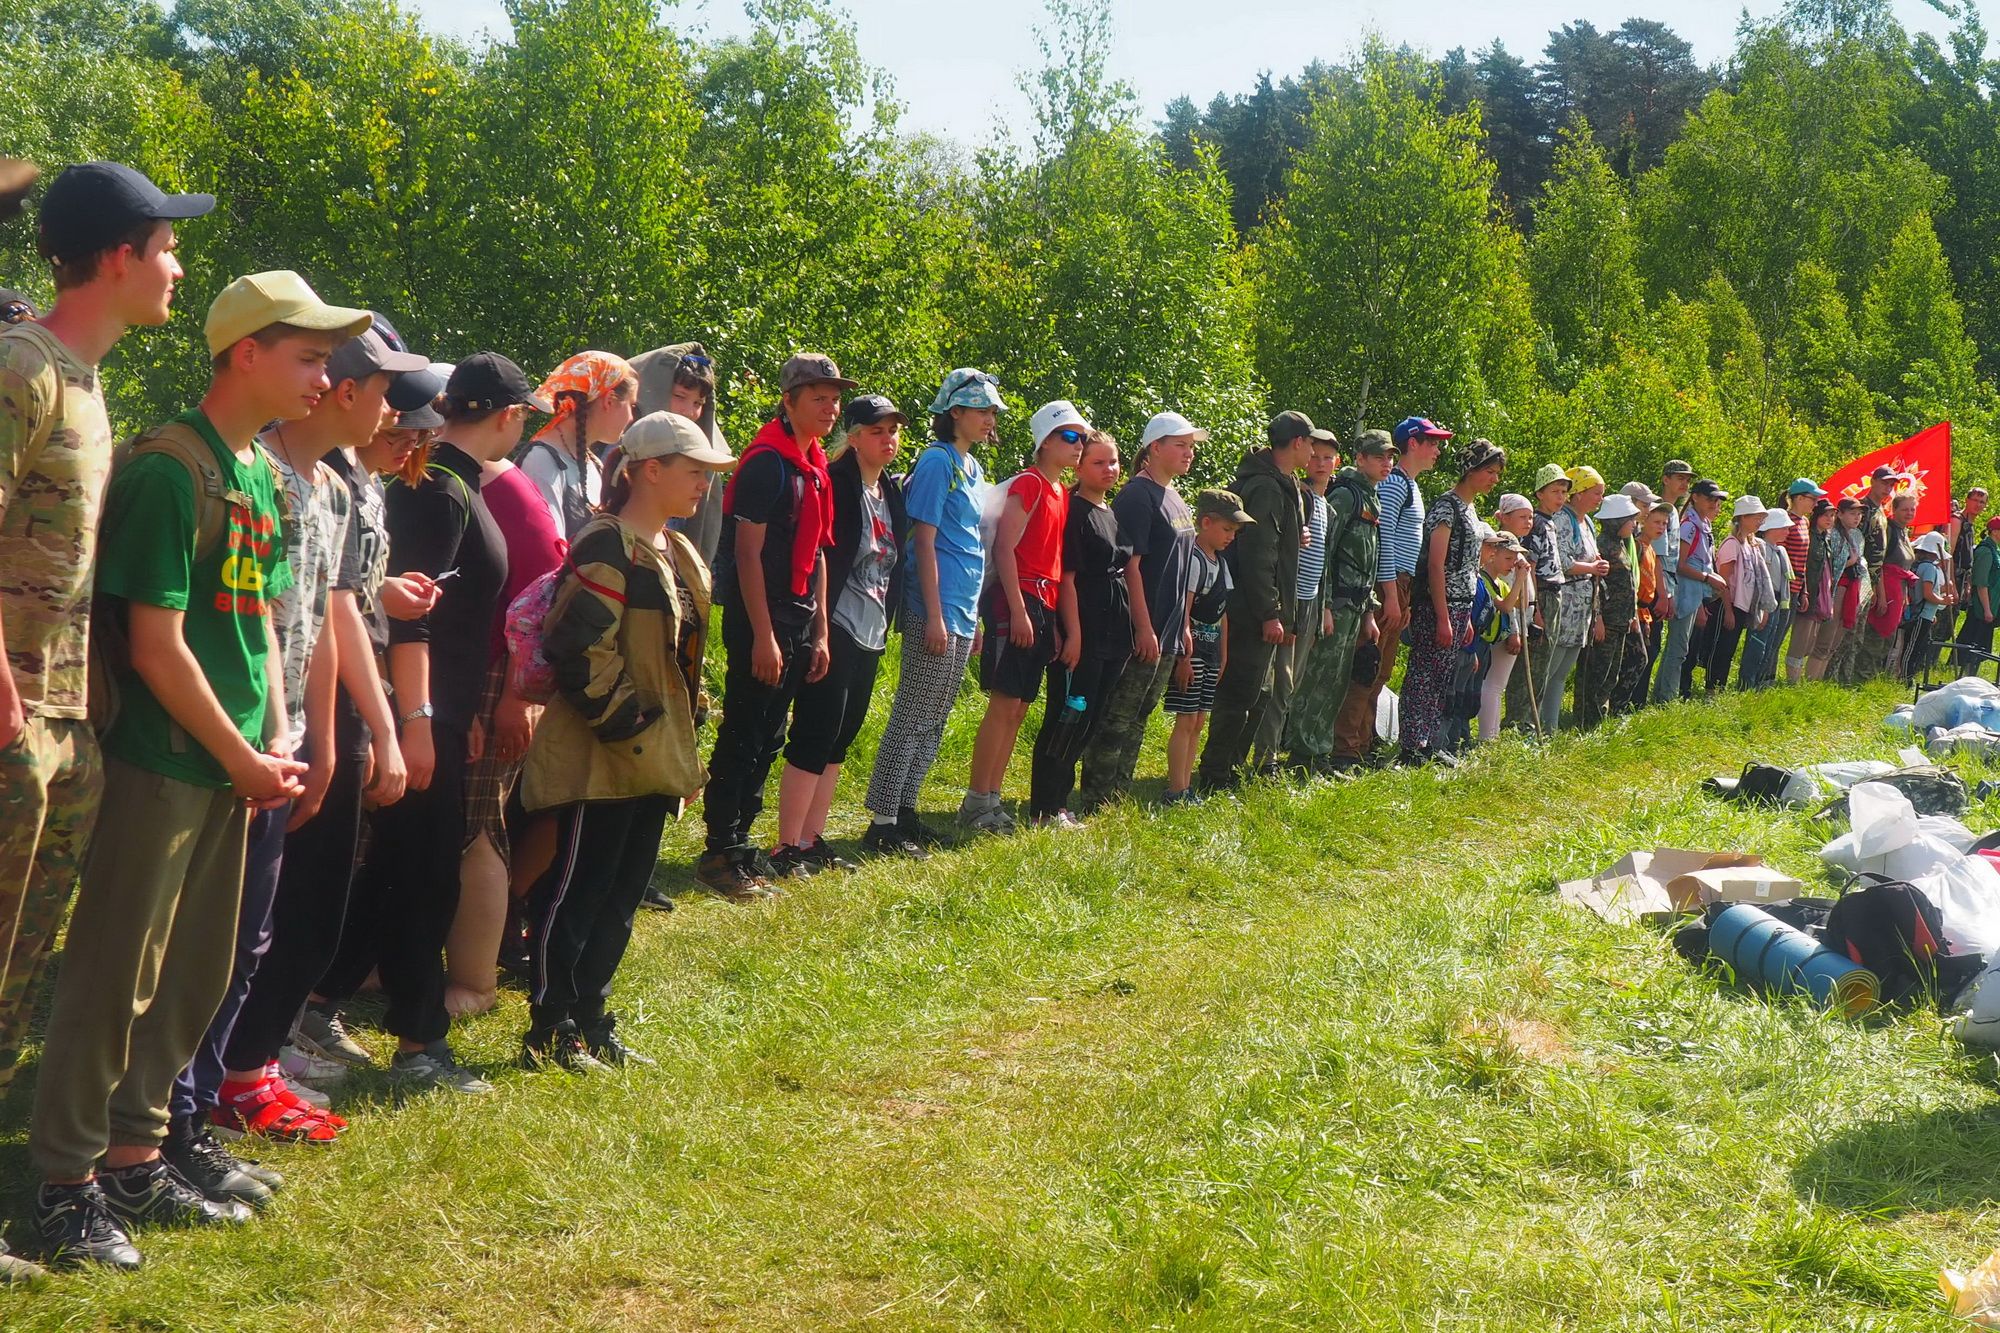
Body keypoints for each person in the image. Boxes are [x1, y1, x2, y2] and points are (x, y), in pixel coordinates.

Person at [28, 271, 358, 1267]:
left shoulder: (253, 470)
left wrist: (275, 737)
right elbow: (157, 642)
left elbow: (250, 617)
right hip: (163, 759)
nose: (323, 377)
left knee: (194, 974)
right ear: (245, 352)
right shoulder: (173, 470)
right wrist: (238, 751)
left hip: (232, 764)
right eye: (306, 357)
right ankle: (61, 1183)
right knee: (115, 975)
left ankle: (135, 1153)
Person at [0, 161, 214, 1283]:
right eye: (168, 247)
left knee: (16, 975)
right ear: (120, 254)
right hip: (9, 729)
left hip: (57, 730)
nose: (179, 266)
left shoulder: (82, 378)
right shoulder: (21, 366)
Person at [178, 325, 423, 1173]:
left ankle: (235, 1075)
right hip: (233, 736)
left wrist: (335, 736)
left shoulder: (331, 486)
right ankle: (194, 1100)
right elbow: (267, 621)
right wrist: (315, 737)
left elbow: (327, 616)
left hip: (290, 732)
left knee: (276, 924)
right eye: (381, 388)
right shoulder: (260, 474)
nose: (393, 411)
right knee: (224, 933)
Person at [316, 353, 543, 1097]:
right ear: (507, 415)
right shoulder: (437, 489)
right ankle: (419, 1042)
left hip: (442, 713)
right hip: (417, 713)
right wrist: (415, 723)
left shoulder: (458, 485)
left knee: (401, 867)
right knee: (424, 873)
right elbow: (407, 621)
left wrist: (456, 717)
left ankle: (316, 1001)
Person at [519, 411, 730, 1069]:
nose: (703, 483)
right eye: (693, 469)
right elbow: (577, 647)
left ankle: (591, 1019)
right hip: (602, 758)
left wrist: (685, 737)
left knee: (620, 898)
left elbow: (684, 660)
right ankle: (549, 1029)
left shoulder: (681, 550)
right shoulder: (606, 544)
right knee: (578, 892)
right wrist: (633, 729)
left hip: (653, 760)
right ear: (647, 469)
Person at [445, 356, 575, 1015]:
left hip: (493, 680)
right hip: (462, 679)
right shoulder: (465, 478)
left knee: (479, 830)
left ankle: (475, 980)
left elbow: (546, 599)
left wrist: (516, 696)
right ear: (507, 415)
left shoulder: (512, 492)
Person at [701, 353, 850, 895]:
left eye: (834, 398)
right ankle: (720, 851)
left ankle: (742, 845)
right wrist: (764, 636)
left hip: (800, 617)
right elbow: (746, 555)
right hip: (760, 618)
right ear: (788, 401)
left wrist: (822, 632)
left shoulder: (814, 466)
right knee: (745, 731)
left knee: (772, 734)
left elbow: (821, 554)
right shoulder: (768, 462)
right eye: (819, 398)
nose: (831, 407)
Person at [862, 368, 1002, 857]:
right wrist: (936, 615)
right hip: (934, 610)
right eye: (982, 410)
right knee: (913, 711)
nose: (990, 419)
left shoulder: (974, 468)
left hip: (963, 612)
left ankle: (906, 811)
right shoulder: (937, 462)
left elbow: (973, 548)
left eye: (992, 412)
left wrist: (974, 617)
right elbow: (922, 541)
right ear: (955, 413)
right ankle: (882, 822)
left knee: (936, 715)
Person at [769, 394, 907, 876]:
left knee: (842, 736)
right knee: (816, 730)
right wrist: (819, 628)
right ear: (853, 436)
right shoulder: (837, 482)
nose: (887, 439)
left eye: (892, 431)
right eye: (876, 431)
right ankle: (786, 845)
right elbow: (822, 554)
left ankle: (811, 838)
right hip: (836, 624)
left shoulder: (888, 489)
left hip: (871, 628)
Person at [961, 401, 1088, 832]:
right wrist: (1017, 609)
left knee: (1018, 708)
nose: (1078, 446)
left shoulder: (1058, 493)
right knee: (1003, 705)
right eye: (1070, 437)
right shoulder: (1031, 484)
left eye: (1082, 438)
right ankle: (977, 801)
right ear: (1045, 441)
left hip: (1043, 604)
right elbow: (1004, 548)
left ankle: (992, 801)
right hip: (1017, 601)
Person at [1076, 411, 1203, 811]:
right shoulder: (1137, 495)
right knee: (1118, 717)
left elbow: (1182, 570)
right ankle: (1097, 798)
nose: (1189, 453)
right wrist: (1144, 627)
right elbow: (1129, 566)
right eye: (1180, 445)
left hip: (1168, 629)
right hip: (1139, 630)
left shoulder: (1174, 495)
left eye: (1192, 445)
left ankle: (1118, 794)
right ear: (1155, 448)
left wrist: (1182, 625)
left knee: (1140, 717)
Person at [1196, 411, 1313, 790]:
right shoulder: (1265, 486)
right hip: (1249, 608)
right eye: (1310, 443)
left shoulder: (1284, 482)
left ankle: (1230, 767)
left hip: (1262, 607)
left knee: (1257, 693)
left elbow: (1281, 546)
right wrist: (1271, 612)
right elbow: (1259, 554)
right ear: (1297, 442)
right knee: (1240, 693)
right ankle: (1215, 773)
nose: (1313, 451)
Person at [1027, 430, 1134, 825]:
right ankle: (1045, 805)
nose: (1109, 469)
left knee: (1090, 718)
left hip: (1113, 636)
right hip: (1084, 633)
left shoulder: (1108, 510)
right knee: (1066, 715)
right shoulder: (1073, 510)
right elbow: (1066, 579)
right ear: (1081, 467)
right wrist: (1073, 635)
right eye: (1098, 462)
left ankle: (1061, 803)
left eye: (1113, 461)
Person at [1331, 416, 1449, 763]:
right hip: (1389, 584)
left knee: (1381, 670)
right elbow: (1383, 543)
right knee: (1367, 667)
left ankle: (1363, 744)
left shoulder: (1408, 484)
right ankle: (1347, 749)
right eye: (1432, 443)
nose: (1437, 450)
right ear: (1413, 443)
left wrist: (1405, 594)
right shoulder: (1396, 485)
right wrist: (1393, 595)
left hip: (1400, 585)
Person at [1288, 430, 1393, 768]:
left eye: (1390, 457)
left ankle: (1319, 751)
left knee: (1336, 682)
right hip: (1336, 605)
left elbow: (1368, 561)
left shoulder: (1370, 497)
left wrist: (1368, 614)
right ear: (1359, 458)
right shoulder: (1346, 496)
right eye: (1378, 456)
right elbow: (1326, 555)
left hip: (1355, 607)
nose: (1386, 463)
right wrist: (1328, 606)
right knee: (1319, 680)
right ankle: (1303, 754)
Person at [1402, 439, 1504, 758]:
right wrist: (1443, 617)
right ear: (1470, 470)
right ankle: (1412, 744)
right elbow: (1436, 564)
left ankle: (1431, 742)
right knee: (1424, 673)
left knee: (1443, 676)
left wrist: (1466, 619)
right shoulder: (1446, 507)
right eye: (1489, 471)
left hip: (1461, 606)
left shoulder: (1471, 510)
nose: (1494, 479)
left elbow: (1471, 565)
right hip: (1438, 604)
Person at [1255, 427, 1338, 774]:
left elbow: (1325, 565)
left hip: (1311, 602)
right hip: (1289, 602)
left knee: (1294, 680)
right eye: (1315, 455)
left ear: (1337, 463)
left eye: (1327, 458)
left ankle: (1277, 747)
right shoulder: (1296, 495)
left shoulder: (1327, 508)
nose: (1320, 463)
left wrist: (1325, 607)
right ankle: (1265, 758)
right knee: (1279, 681)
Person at [1162, 492, 1249, 803]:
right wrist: (1184, 656)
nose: (1230, 537)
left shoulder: (1221, 563)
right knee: (1185, 720)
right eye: (1226, 530)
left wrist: (1223, 654)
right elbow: (1183, 612)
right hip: (1193, 648)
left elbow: (1222, 613)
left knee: (1199, 720)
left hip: (1213, 650)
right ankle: (1175, 788)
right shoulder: (1194, 559)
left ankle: (1187, 787)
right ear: (1206, 522)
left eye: (1234, 532)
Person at [516, 351, 637, 540]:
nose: (631, 417)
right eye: (631, 405)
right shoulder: (542, 461)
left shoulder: (593, 463)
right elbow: (548, 551)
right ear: (610, 401)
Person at [629, 342, 728, 564]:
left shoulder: (704, 455)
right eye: (680, 396)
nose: (689, 411)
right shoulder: (629, 447)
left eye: (698, 402)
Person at [1541, 465, 1608, 732]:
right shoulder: (1562, 520)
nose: (1600, 498)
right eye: (1595, 493)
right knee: (1551, 667)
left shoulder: (1587, 522)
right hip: (1566, 600)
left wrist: (1596, 567)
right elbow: (1563, 561)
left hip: (1583, 604)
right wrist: (1592, 568)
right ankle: (1540, 726)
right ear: (1578, 493)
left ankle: (1552, 726)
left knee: (1562, 671)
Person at [1576, 491, 1641, 729]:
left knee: (1611, 674)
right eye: (1630, 519)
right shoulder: (1603, 546)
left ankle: (1597, 718)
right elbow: (1597, 585)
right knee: (1596, 673)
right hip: (1607, 621)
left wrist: (1631, 614)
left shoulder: (1621, 545)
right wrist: (1598, 619)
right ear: (1617, 522)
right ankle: (1585, 721)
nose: (1634, 524)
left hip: (1620, 620)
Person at [1480, 492, 1535, 739]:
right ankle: (1487, 737)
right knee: (1493, 685)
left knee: (1495, 686)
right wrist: (1514, 631)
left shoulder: (1516, 556)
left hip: (1519, 624)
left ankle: (1490, 736)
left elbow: (1520, 599)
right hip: (1505, 629)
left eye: (1530, 517)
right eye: (1522, 516)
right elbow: (1508, 604)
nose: (1528, 521)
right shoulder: (1498, 565)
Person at [1707, 495, 1774, 690]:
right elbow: (1724, 581)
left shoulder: (1750, 544)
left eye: (1762, 517)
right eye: (1756, 517)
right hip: (1727, 604)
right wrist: (1728, 610)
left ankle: (1720, 686)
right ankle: (1712, 688)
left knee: (1729, 649)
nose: (1760, 521)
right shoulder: (1731, 544)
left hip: (1741, 605)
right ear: (1743, 517)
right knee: (1720, 648)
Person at [1645, 461, 1693, 697]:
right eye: (1679, 478)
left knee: (1654, 646)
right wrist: (1664, 594)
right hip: (1653, 587)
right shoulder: (1657, 509)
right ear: (1665, 479)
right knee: (1648, 646)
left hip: (1666, 586)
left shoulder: (1673, 511)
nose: (1685, 483)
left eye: (1687, 479)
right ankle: (1636, 701)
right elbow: (1657, 558)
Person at [1809, 497, 1868, 681]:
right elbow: (1833, 563)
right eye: (1852, 513)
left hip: (1852, 587)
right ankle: (1810, 679)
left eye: (1859, 514)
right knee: (1826, 638)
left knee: (1835, 640)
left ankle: (1817, 681)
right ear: (1840, 514)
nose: (1857, 517)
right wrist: (1851, 561)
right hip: (1837, 588)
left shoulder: (1856, 535)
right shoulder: (1833, 534)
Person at [1740, 506, 1797, 687]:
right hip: (1765, 602)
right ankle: (1746, 683)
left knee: (1770, 645)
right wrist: (1762, 607)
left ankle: (1760, 681)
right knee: (1757, 644)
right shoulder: (1760, 547)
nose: (1788, 531)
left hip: (1780, 603)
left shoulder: (1781, 550)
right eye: (1784, 527)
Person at [1904, 530, 1950, 682]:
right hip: (1921, 614)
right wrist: (1944, 601)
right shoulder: (1929, 568)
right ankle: (1905, 677)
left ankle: (1908, 676)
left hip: (1923, 613)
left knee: (1917, 647)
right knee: (1912, 648)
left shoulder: (1917, 565)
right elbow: (1927, 593)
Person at [1958, 515, 2000, 670]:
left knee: (1980, 646)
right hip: (1982, 607)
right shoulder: (1986, 551)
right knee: (1971, 642)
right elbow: (1981, 583)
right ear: (1995, 531)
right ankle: (1961, 673)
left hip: (1990, 606)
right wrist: (1987, 610)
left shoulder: (1995, 550)